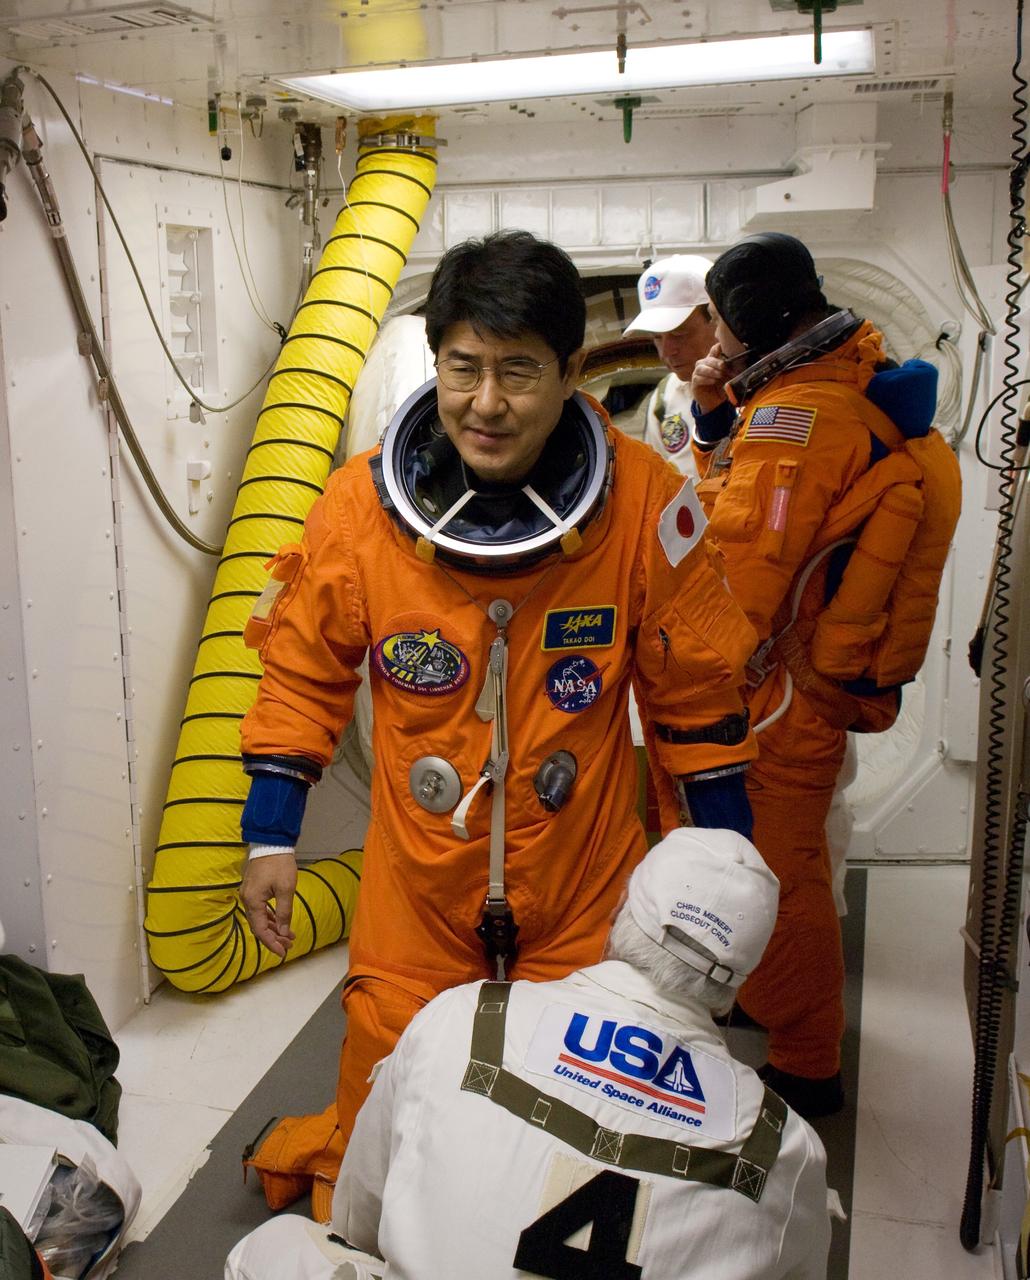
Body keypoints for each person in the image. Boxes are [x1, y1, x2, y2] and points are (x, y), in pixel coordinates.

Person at [236, 230, 761, 1180]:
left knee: (575, 1144)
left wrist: (731, 870)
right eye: (462, 367)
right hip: (417, 897)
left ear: (570, 371)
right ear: (436, 363)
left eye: (517, 371)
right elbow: (303, 670)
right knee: (382, 1127)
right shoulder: (359, 508)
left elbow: (698, 702)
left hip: (582, 892)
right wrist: (269, 836)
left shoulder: (645, 504)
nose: (485, 403)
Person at [224, 827, 832, 1280]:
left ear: (619, 914)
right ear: (739, 983)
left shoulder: (464, 1018)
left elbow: (360, 1223)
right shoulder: (783, 1145)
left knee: (273, 1248)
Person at [689, 232, 960, 1117]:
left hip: (777, 701)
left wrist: (665, 662)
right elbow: (754, 508)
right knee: (778, 865)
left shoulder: (798, 418)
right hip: (801, 685)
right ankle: (766, 1008)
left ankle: (808, 1062)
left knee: (776, 874)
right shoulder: (844, 377)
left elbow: (742, 575)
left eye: (725, 326)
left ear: (757, 321)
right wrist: (713, 421)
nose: (717, 343)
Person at [622, 253, 716, 476]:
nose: (666, 352)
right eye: (657, 337)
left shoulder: (757, 389)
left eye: (679, 333)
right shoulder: (664, 398)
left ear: (717, 318)